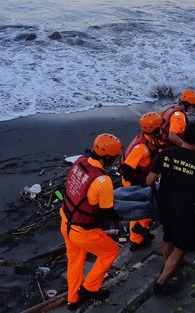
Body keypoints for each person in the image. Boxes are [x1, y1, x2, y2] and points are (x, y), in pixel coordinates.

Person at [59, 133, 123, 310]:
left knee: (75, 262)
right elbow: (106, 211)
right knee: (110, 252)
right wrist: (119, 218)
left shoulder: (80, 162)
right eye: (115, 157)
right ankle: (90, 288)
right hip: (83, 231)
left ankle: (73, 299)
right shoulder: (103, 180)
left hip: (66, 222)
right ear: (108, 157)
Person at [146, 122, 195, 295]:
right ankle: (160, 283)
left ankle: (168, 266)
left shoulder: (166, 154)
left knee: (168, 237)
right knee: (182, 246)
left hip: (164, 205)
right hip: (183, 210)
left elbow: (149, 181)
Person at [119, 112, 162, 251]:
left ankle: (140, 234)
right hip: (134, 182)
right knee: (140, 210)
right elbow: (126, 168)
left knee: (143, 209)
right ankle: (136, 239)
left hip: (143, 180)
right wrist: (140, 184)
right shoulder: (141, 148)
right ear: (155, 128)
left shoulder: (149, 139)